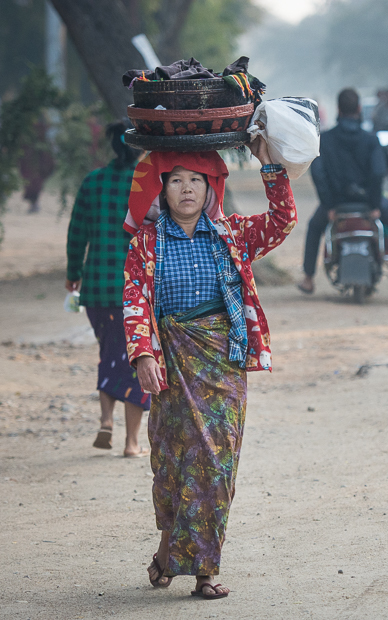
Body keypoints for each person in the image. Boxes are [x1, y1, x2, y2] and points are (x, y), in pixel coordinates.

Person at [122, 135, 296, 599]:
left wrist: (269, 166)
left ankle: (205, 570)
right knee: (173, 462)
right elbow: (136, 300)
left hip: (223, 363)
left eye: (195, 180)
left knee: (217, 462)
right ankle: (167, 548)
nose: (186, 189)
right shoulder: (146, 243)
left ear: (210, 189)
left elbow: (283, 221)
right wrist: (142, 354)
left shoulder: (232, 235)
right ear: (162, 190)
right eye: (176, 180)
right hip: (170, 363)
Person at [66, 120, 149, 457]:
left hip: (97, 288)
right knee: (136, 359)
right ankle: (131, 442)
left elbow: (77, 232)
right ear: (139, 146)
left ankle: (106, 420)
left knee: (109, 352)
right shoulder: (147, 185)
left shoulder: (93, 181)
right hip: (134, 288)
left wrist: (73, 273)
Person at [298, 88, 388, 294]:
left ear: (338, 109)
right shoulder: (371, 140)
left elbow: (318, 174)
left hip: (336, 205)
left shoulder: (325, 140)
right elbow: (379, 172)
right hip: (367, 204)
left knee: (314, 228)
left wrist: (328, 206)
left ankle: (308, 278)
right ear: (359, 109)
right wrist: (375, 204)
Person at [19, 115, 55, 213]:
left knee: (37, 181)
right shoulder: (25, 127)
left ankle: (34, 203)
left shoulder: (42, 121)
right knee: (29, 181)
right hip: (27, 157)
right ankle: (33, 203)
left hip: (40, 158)